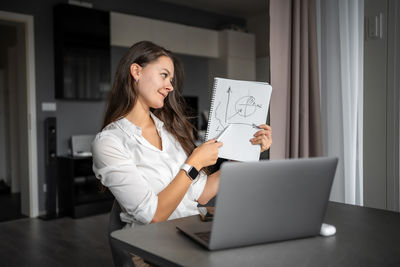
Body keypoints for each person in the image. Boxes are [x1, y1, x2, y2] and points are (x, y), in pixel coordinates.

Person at [92, 41, 272, 228]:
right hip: (152, 245)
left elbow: (201, 194)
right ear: (136, 72)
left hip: (190, 231)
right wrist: (194, 163)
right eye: (164, 75)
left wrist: (246, 152)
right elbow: (152, 215)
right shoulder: (109, 142)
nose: (170, 87)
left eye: (171, 80)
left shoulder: (170, 132)